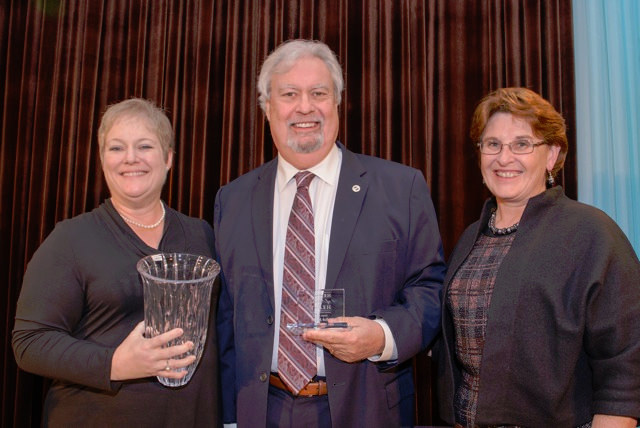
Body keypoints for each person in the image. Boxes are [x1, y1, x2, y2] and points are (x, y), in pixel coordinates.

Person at [214, 39, 445, 427]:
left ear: (337, 103)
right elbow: (224, 319)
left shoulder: (400, 188)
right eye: (289, 94)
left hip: (365, 406)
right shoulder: (232, 199)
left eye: (318, 93)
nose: (305, 106)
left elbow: (431, 289)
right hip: (260, 409)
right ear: (267, 107)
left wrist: (382, 335)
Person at [436, 87, 640, 427]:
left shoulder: (591, 234)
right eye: (492, 144)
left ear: (551, 155)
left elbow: (626, 362)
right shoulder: (471, 237)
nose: (504, 158)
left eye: (522, 144)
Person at [12, 98, 220, 426]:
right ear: (102, 159)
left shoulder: (202, 235)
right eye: (116, 148)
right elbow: (29, 343)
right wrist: (116, 364)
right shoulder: (71, 239)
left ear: (168, 159)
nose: (131, 159)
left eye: (145, 146)